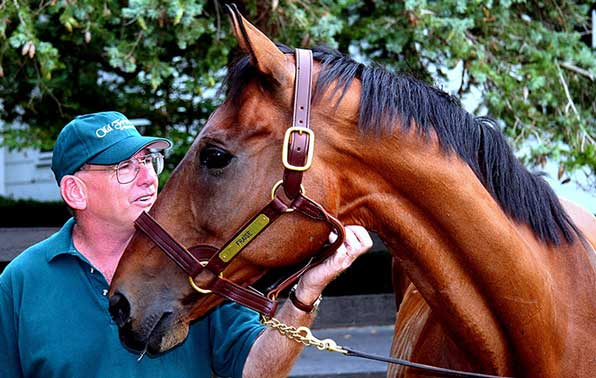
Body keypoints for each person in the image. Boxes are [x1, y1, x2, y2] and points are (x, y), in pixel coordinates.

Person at [0, 111, 373, 378]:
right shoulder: (21, 282)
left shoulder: (196, 266)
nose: (148, 178)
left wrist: (306, 292)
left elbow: (258, 369)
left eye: (149, 160)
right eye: (125, 168)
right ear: (75, 191)